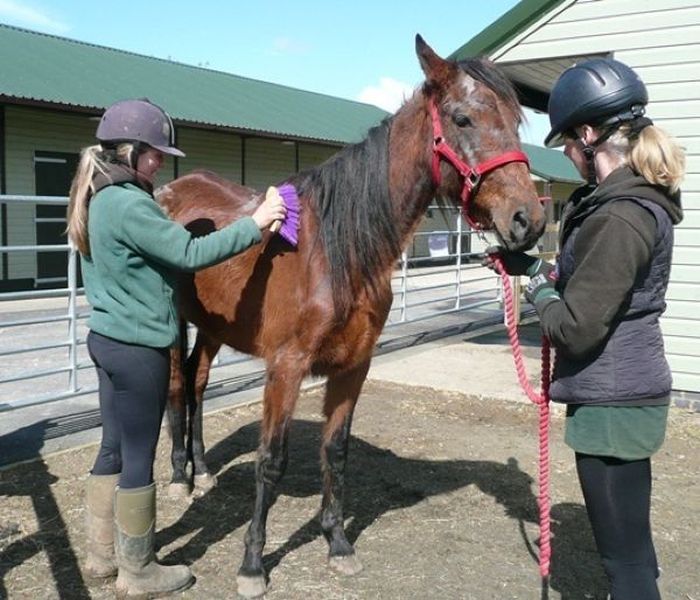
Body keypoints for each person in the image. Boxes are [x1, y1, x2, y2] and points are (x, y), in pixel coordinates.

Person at [66, 98, 287, 598]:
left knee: (113, 447)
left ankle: (101, 557)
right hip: (140, 346)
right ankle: (139, 571)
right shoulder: (130, 204)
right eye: (155, 153)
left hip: (106, 339)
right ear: (130, 150)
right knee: (139, 459)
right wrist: (255, 224)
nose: (161, 161)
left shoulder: (99, 196)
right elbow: (190, 254)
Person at [486, 59, 685, 600]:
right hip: (620, 394)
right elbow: (596, 285)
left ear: (590, 135)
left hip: (614, 404)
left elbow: (574, 328)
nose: (569, 156)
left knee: (626, 565)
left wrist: (538, 291)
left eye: (570, 144)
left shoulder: (619, 217)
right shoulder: (628, 205)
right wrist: (534, 269)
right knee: (632, 554)